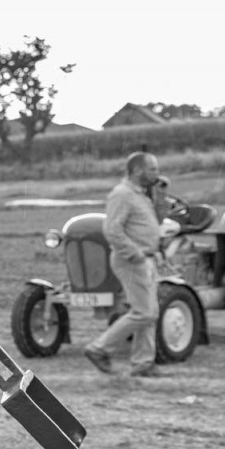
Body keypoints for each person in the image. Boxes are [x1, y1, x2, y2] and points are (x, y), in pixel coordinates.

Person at [84, 152, 163, 377]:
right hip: (131, 260)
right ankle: (99, 348)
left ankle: (143, 363)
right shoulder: (122, 195)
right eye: (153, 169)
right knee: (143, 312)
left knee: (150, 312)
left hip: (145, 258)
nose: (157, 174)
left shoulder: (141, 195)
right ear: (138, 170)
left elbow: (157, 221)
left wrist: (161, 193)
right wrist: (134, 253)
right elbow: (112, 229)